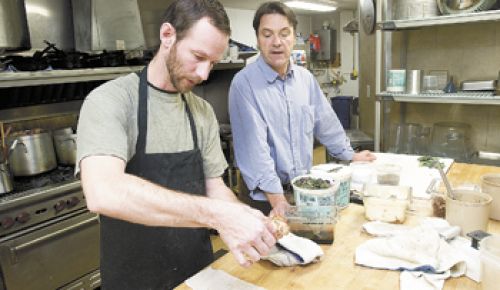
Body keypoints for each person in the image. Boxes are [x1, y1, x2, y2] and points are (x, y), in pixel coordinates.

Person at [76, 1, 277, 289]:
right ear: (168, 35)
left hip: (197, 274)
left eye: (213, 62)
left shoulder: (202, 111)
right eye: (198, 56)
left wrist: (241, 219)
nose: (204, 74)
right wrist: (217, 215)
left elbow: (214, 186)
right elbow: (103, 192)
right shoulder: (111, 101)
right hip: (134, 279)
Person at [228, 1, 376, 217]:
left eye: (284, 33)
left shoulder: (305, 79)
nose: (276, 42)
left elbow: (326, 122)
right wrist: (277, 200)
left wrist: (350, 155)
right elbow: (254, 151)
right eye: (267, 34)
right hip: (264, 200)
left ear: (294, 36)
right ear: (258, 40)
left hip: (303, 191)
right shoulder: (244, 84)